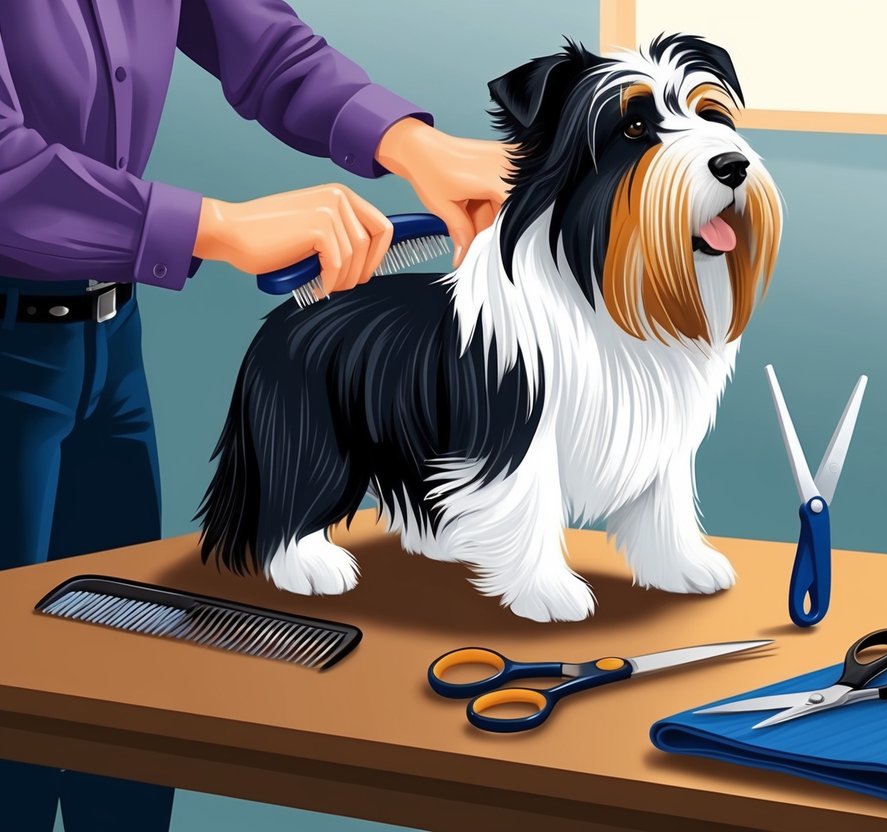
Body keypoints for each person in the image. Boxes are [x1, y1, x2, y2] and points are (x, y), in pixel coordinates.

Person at [0, 2, 510, 830]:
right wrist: (219, 226)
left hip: (110, 348)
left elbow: (265, 45)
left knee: (131, 686)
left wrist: (417, 147)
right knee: (12, 708)